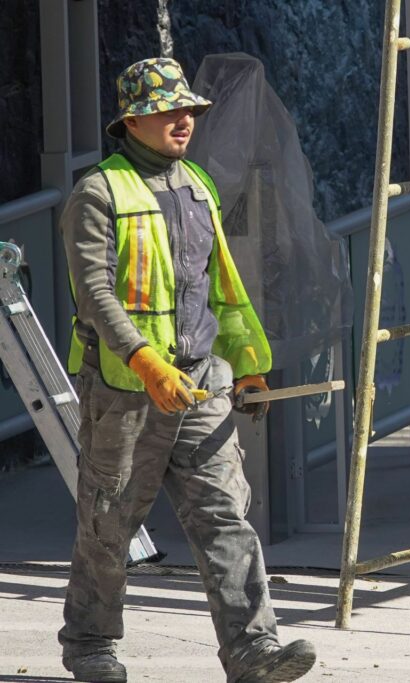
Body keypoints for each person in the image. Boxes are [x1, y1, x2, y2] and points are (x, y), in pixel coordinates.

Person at [57, 57, 316, 683]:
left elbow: (218, 287)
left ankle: (253, 650)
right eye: (169, 110)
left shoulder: (196, 185)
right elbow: (95, 293)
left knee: (224, 516)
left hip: (201, 383)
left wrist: (248, 368)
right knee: (110, 519)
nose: (184, 120)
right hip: (125, 393)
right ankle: (89, 644)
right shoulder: (99, 193)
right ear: (132, 120)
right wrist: (145, 363)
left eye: (189, 110)